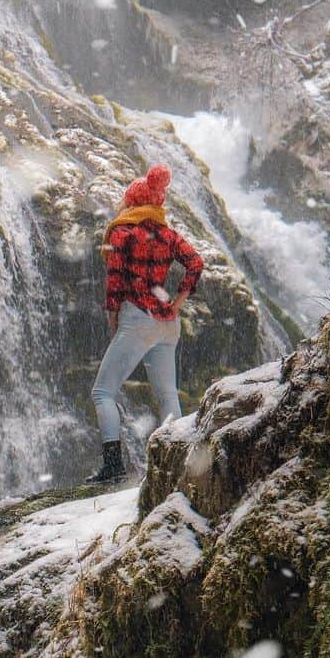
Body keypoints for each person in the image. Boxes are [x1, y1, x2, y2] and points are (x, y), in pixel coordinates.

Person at [86, 164, 204, 485]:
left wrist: (113, 315)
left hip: (137, 316)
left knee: (102, 392)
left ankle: (113, 466)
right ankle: (179, 463)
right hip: (168, 322)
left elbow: (114, 281)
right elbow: (195, 263)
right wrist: (178, 301)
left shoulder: (123, 232)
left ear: (132, 201)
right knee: (167, 394)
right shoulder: (167, 233)